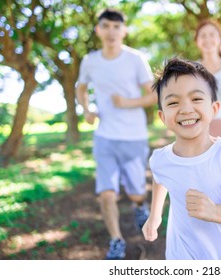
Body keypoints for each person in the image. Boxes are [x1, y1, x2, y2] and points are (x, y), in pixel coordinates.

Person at [142, 57, 221, 260]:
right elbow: (159, 177)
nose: (186, 109)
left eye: (196, 99)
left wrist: (215, 212)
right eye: (173, 102)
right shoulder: (160, 158)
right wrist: (155, 216)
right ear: (163, 117)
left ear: (214, 109)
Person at [75, 8, 156, 260]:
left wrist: (127, 103)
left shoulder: (136, 59)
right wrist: (87, 110)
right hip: (105, 137)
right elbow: (81, 87)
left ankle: (139, 205)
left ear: (124, 31)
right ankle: (116, 240)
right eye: (106, 26)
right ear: (98, 30)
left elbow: (154, 95)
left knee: (135, 191)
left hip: (134, 136)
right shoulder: (90, 61)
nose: (111, 31)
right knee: (106, 192)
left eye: (116, 27)